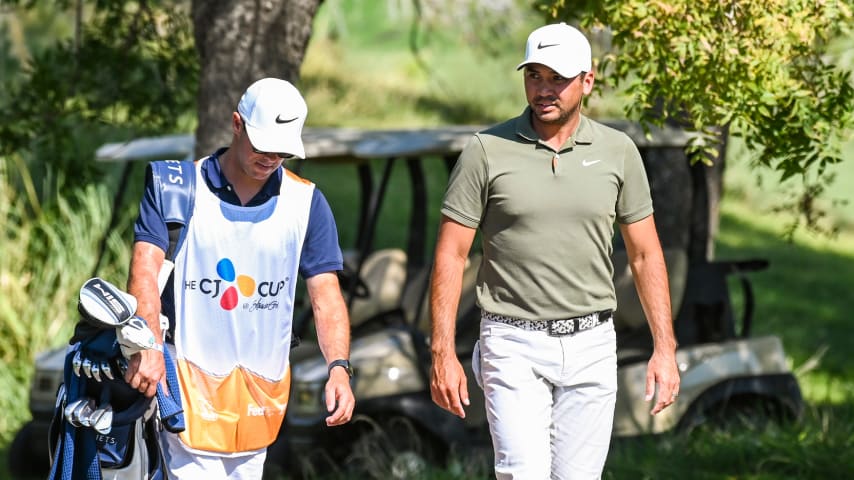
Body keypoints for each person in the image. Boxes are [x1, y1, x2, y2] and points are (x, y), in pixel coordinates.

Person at [429, 23, 680, 479]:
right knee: (522, 473)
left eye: (557, 79)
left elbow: (644, 255)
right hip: (511, 342)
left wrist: (665, 347)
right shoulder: (486, 151)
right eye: (534, 76)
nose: (544, 90)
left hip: (592, 343)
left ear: (588, 79)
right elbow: (450, 254)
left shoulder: (618, 152)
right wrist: (442, 351)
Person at [125, 77, 355, 478]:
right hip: (184, 384)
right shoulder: (176, 187)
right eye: (262, 146)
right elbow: (144, 269)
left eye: (282, 151)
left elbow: (326, 294)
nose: (271, 158)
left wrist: (338, 366)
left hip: (260, 394)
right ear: (236, 124)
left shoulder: (306, 203)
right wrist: (146, 344)